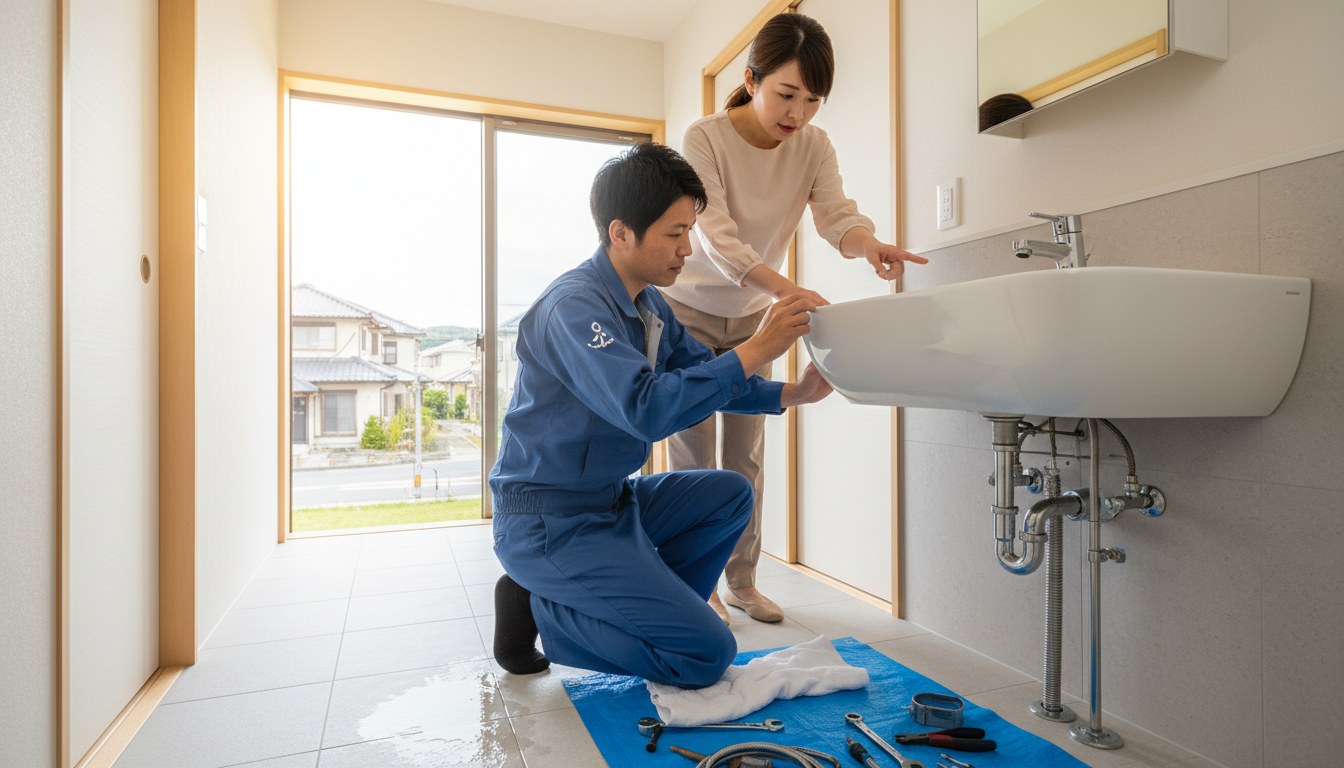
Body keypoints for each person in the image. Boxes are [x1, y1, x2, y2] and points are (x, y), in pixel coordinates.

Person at [487, 142, 834, 687]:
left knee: (729, 493)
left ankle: (649, 611)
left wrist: (793, 393)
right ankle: (537, 604)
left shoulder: (650, 305)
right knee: (704, 656)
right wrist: (756, 348)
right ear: (621, 233)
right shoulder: (573, 307)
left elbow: (702, 376)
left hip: (611, 502)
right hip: (548, 519)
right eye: (675, 233)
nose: (687, 249)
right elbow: (645, 409)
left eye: (688, 231)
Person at [660, 13, 928, 626]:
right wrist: (791, 291)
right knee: (693, 454)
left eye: (812, 100)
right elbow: (718, 238)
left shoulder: (814, 145)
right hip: (688, 311)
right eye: (786, 94)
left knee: (745, 457)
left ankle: (742, 582)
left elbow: (837, 216)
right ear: (751, 80)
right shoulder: (704, 138)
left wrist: (870, 245)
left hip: (754, 315)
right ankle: (695, 587)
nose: (798, 113)